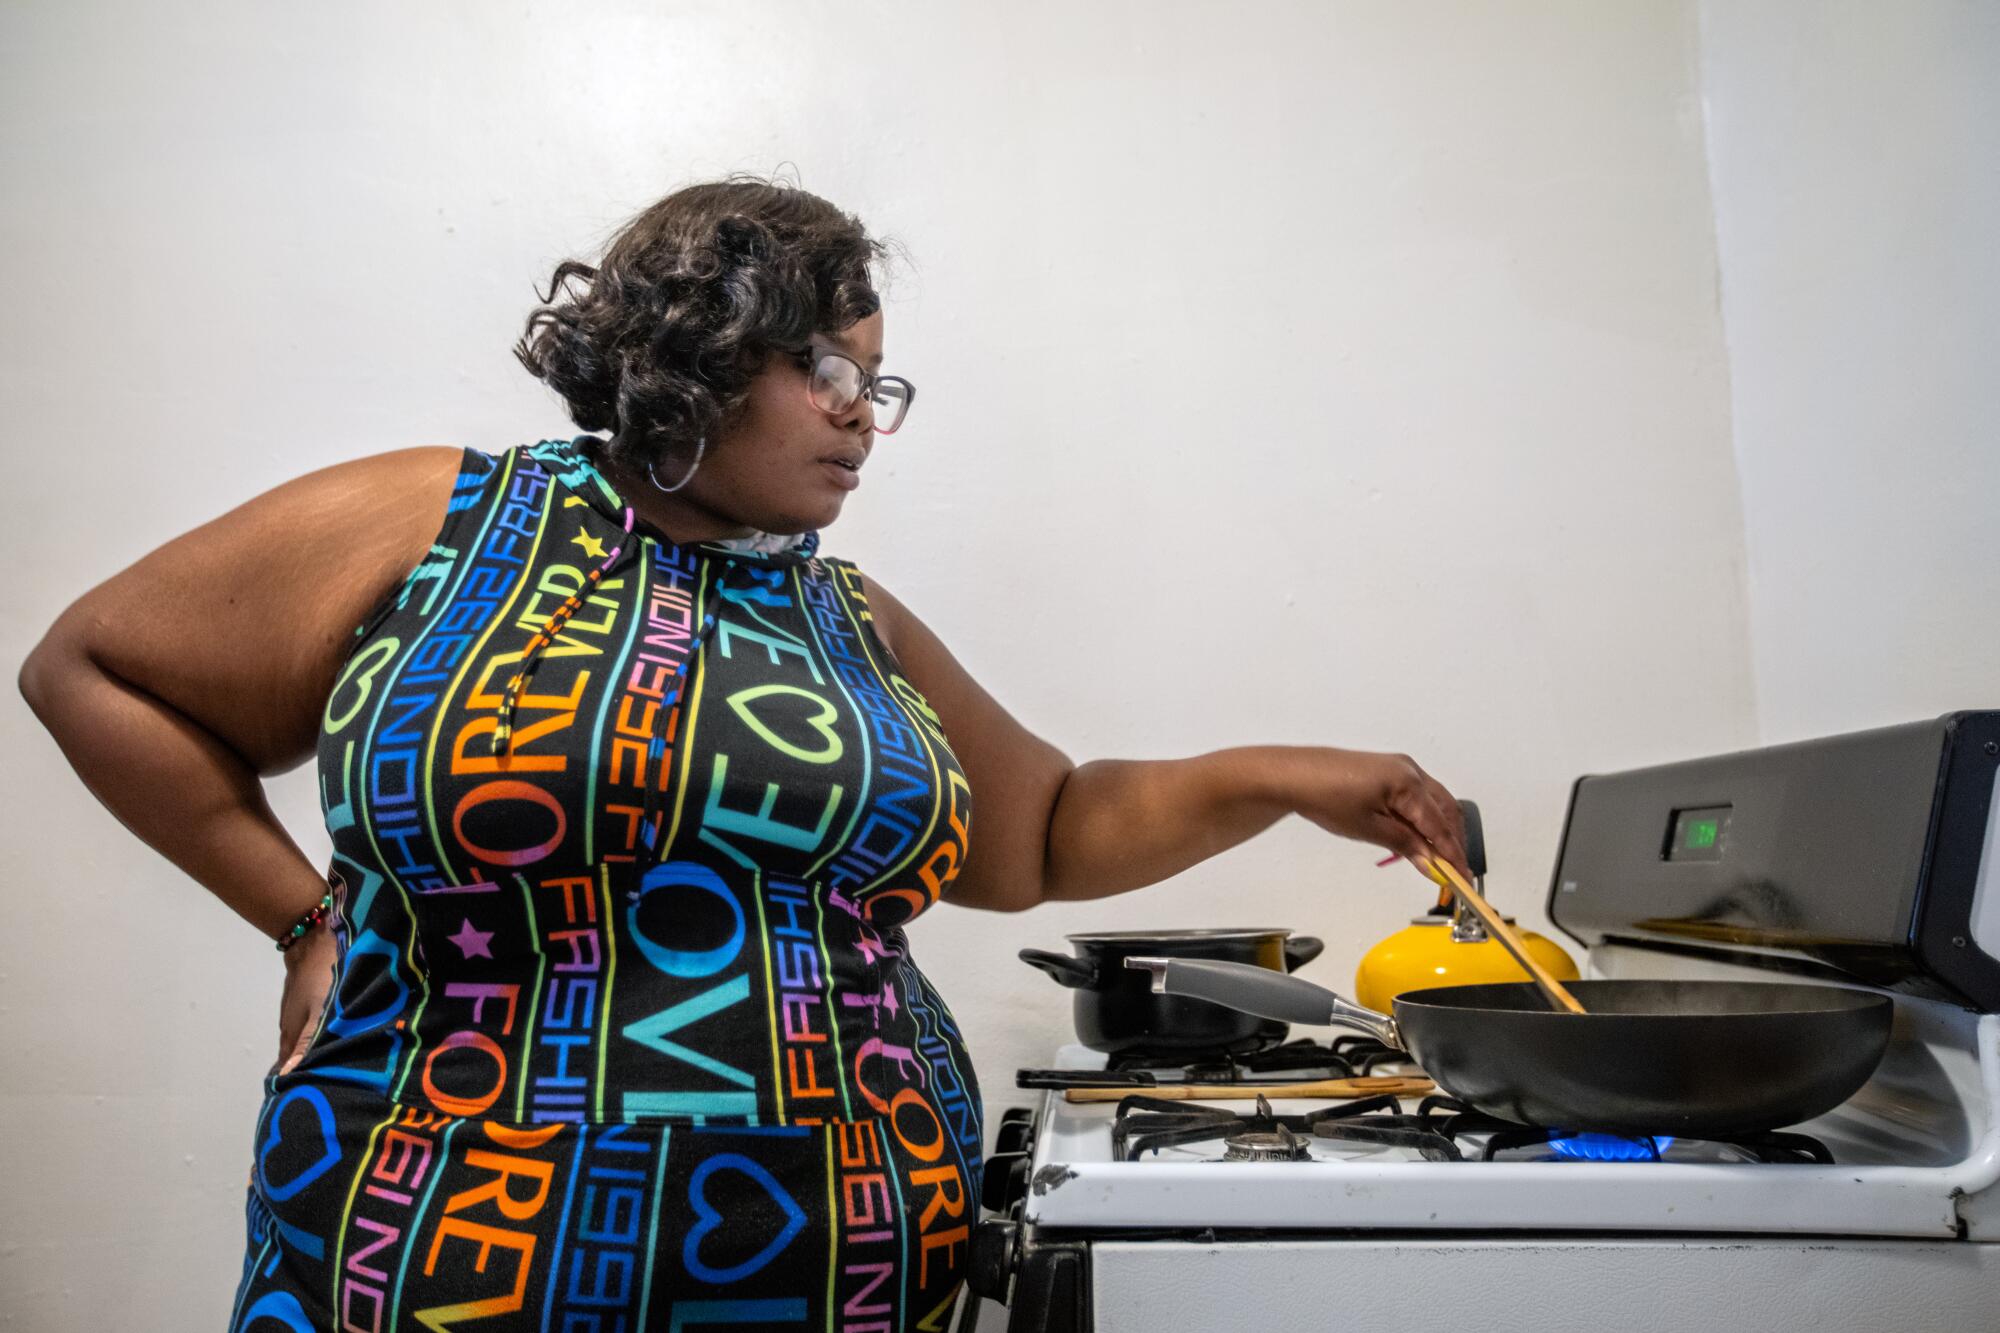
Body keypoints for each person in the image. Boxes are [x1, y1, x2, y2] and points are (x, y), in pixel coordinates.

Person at [18, 174, 1469, 1330]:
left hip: (849, 1277)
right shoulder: (440, 523)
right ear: (695, 352)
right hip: (437, 1262)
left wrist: (1288, 775)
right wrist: (303, 915)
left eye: (881, 381)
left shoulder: (845, 617)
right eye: (825, 363)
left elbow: (1043, 835)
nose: (862, 410)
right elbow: (94, 668)